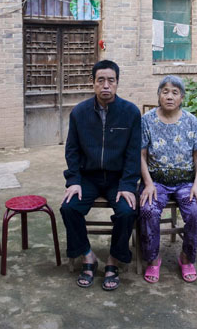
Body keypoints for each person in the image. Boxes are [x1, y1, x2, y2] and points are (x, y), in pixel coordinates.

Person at [60, 60, 141, 290]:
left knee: (128, 211)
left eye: (111, 80)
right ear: (93, 83)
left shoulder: (130, 113)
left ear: (117, 83)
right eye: (101, 80)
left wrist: (127, 184)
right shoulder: (79, 113)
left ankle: (114, 259)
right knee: (69, 207)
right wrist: (74, 181)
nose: (106, 85)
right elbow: (72, 150)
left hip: (118, 179)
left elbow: (134, 154)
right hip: (88, 177)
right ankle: (87, 256)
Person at [139, 75, 197, 283]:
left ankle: (186, 257)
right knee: (147, 209)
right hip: (156, 181)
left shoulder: (191, 121)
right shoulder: (147, 120)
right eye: (165, 91)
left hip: (185, 182)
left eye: (175, 92)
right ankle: (152, 259)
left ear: (182, 97)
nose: (169, 96)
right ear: (159, 95)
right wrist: (148, 183)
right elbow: (140, 155)